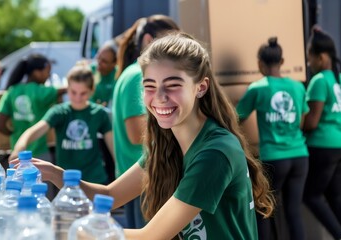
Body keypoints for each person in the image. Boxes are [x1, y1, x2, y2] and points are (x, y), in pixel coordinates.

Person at [15, 33, 274, 239]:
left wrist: (74, 230)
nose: (160, 97)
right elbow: (110, 195)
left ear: (200, 87)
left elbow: (150, 236)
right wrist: (54, 174)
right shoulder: (168, 143)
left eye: (173, 85)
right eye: (150, 86)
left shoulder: (215, 152)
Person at [111, 15, 180, 229]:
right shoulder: (136, 76)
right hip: (145, 181)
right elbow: (135, 134)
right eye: (169, 41)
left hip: (141, 180)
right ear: (149, 40)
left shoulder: (132, 73)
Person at [236, 37, 308, 240]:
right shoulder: (298, 87)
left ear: (260, 63)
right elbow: (302, 121)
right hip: (300, 156)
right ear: (282, 61)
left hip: (274, 158)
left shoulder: (258, 88)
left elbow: (236, 117)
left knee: (263, 209)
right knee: (294, 212)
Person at [9, 64, 113, 184]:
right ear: (67, 89)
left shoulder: (99, 113)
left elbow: (112, 144)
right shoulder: (60, 112)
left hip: (94, 179)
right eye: (73, 92)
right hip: (65, 180)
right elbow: (34, 131)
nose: (78, 98)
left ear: (91, 91)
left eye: (83, 93)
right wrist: (19, 149)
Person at [303, 27, 341, 240]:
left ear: (320, 57)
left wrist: (294, 120)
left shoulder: (319, 80)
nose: (309, 63)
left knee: (311, 195)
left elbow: (311, 122)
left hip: (323, 146)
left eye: (310, 57)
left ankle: (340, 235)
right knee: (335, 195)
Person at [0, 54, 61, 162]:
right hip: (40, 154)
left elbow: (0, 126)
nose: (48, 75)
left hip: (17, 154)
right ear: (37, 72)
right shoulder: (41, 91)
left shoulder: (11, 91)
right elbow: (62, 90)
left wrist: (15, 133)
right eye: (47, 71)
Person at [91, 42, 118, 107]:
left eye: (104, 61)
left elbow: (114, 102)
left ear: (114, 64)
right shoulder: (90, 71)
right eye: (98, 57)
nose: (99, 62)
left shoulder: (118, 74)